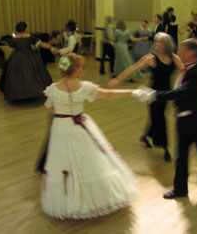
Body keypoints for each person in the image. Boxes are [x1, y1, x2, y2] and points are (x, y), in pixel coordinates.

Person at [41, 53, 139, 219]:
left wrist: (63, 114)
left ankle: (68, 201)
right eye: (81, 67)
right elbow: (109, 94)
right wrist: (132, 91)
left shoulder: (52, 89)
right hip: (80, 124)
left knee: (63, 161)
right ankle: (94, 198)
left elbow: (50, 107)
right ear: (77, 70)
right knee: (88, 159)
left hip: (61, 127)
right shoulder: (84, 87)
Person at [135, 38, 197, 199]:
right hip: (183, 121)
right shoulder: (187, 70)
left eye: (183, 49)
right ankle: (181, 190)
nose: (179, 52)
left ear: (192, 53)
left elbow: (180, 92)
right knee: (181, 157)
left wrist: (154, 95)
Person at [109, 33, 184, 162]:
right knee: (159, 118)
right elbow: (134, 68)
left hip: (166, 94)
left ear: (166, 43)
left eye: (159, 42)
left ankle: (145, 136)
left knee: (156, 117)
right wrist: (118, 78)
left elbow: (185, 72)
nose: (156, 44)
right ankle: (166, 147)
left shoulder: (174, 58)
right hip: (152, 94)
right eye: (155, 41)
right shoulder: (150, 58)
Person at [0, 21, 53, 102]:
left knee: (17, 76)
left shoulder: (13, 39)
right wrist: (51, 48)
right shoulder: (30, 37)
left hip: (16, 57)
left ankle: (19, 94)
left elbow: (12, 49)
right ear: (25, 28)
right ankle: (32, 93)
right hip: (30, 56)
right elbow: (41, 44)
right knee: (33, 75)